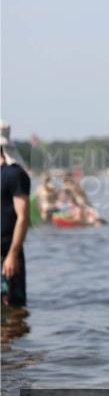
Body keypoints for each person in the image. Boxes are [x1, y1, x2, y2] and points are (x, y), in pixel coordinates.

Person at [1, 123, 30, 307]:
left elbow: (23, 217)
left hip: (6, 251)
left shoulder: (15, 174)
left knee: (12, 309)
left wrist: (13, 254)